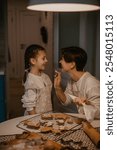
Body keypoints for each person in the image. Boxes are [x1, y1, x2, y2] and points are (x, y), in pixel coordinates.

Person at [54, 46, 100, 121]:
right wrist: (57, 87)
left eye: (62, 59)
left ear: (72, 64)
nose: (60, 62)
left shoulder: (91, 83)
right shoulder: (72, 80)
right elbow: (66, 100)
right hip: (85, 123)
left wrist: (87, 104)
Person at [21, 44, 52, 115]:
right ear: (33, 61)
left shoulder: (45, 77)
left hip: (46, 116)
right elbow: (30, 107)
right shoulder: (31, 81)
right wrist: (36, 121)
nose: (46, 60)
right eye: (43, 58)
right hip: (36, 119)